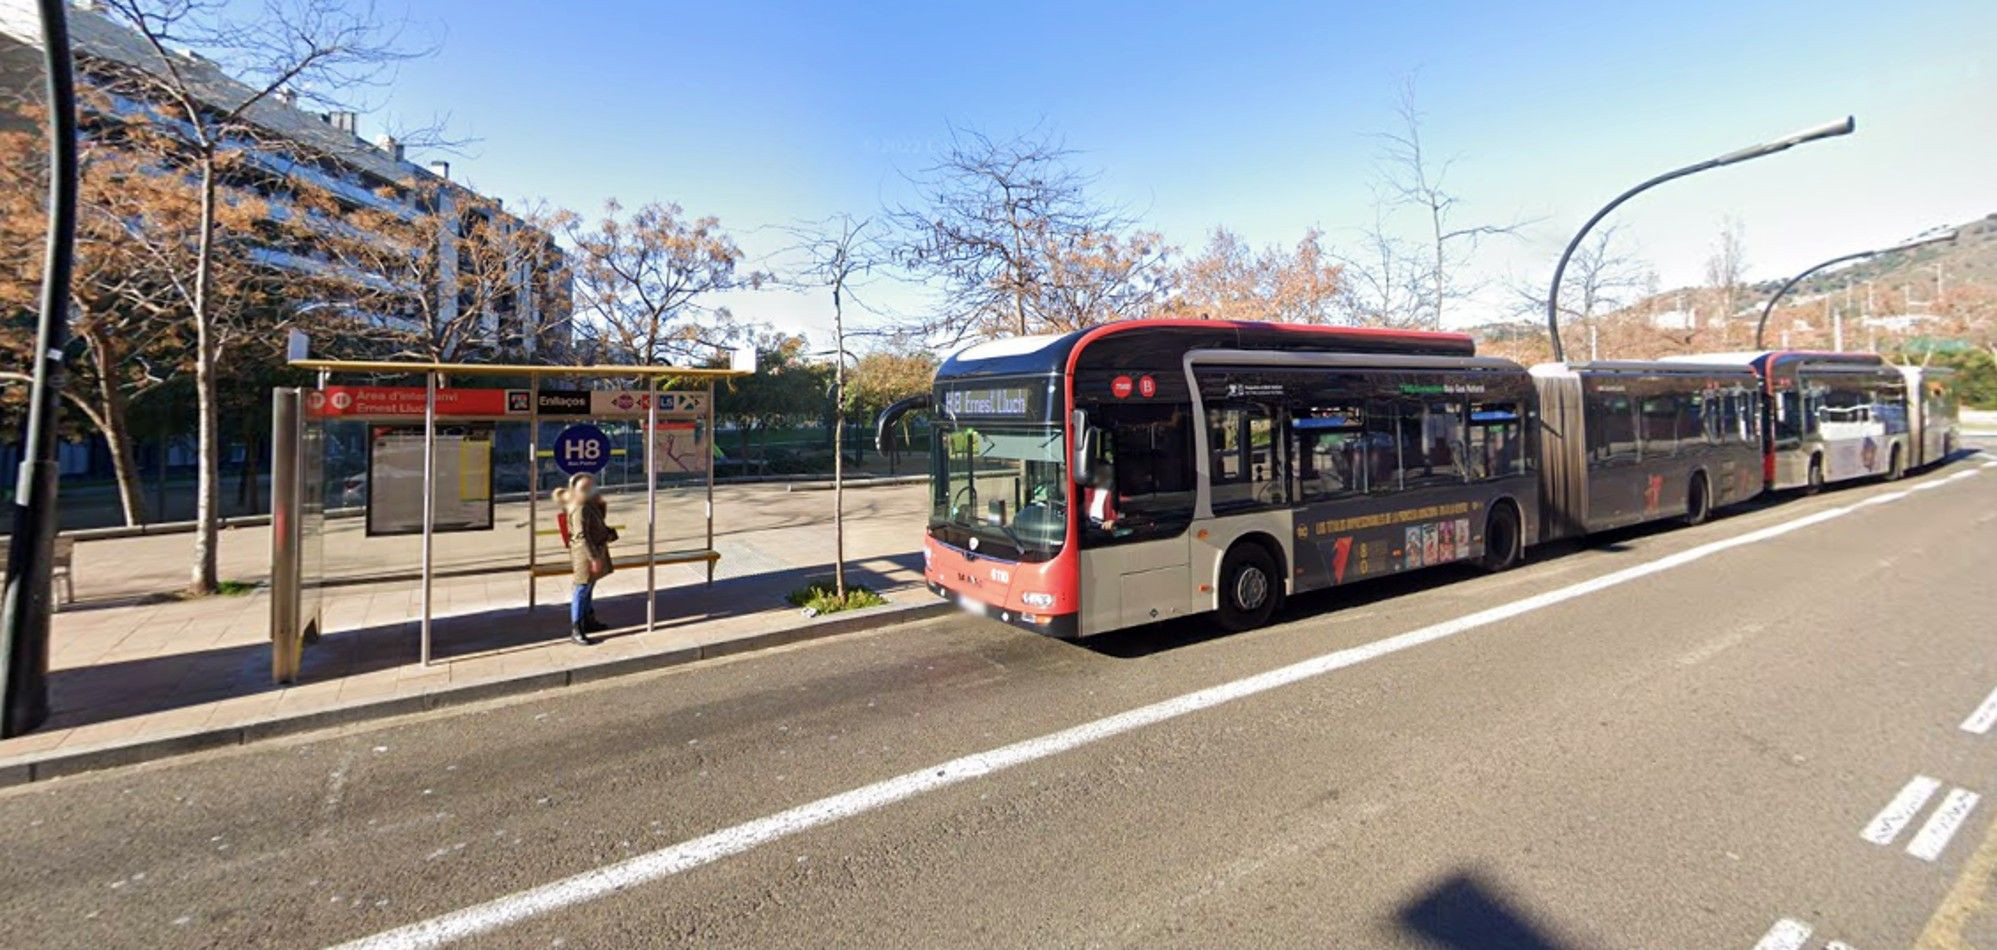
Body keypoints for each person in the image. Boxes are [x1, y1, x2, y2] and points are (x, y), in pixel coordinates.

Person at [554, 472, 617, 645]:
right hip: (585, 554)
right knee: (581, 589)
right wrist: (593, 558)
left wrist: (602, 505)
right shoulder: (579, 507)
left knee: (588, 587)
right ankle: (577, 629)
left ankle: (589, 621)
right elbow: (582, 536)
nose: (594, 489)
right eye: (590, 487)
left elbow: (598, 523)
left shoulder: (589, 504)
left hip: (594, 550)